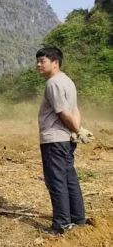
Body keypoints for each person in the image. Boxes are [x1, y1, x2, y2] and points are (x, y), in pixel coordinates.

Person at [36, 46, 94, 235]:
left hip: (54, 139)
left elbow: (63, 112)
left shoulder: (53, 83)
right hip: (66, 139)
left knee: (56, 181)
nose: (38, 65)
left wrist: (77, 129)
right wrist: (77, 130)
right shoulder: (68, 81)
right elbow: (75, 109)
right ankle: (78, 219)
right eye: (37, 61)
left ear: (55, 62)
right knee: (69, 178)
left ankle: (61, 224)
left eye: (42, 61)